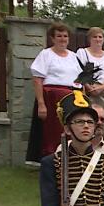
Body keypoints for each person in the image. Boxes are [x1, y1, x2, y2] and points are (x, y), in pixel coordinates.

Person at [28, 22, 81, 162]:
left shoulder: (74, 57)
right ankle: (51, 161)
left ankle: (70, 161)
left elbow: (79, 80)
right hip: (51, 99)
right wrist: (41, 104)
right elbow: (37, 80)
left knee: (70, 129)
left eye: (65, 36)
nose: (62, 39)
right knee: (51, 132)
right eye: (59, 36)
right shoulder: (46, 55)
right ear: (52, 38)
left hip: (71, 99)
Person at [76, 27, 104, 145]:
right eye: (94, 37)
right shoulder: (82, 53)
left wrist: (101, 88)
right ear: (89, 39)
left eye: (100, 37)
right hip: (87, 92)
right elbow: (78, 71)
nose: (97, 39)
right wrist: (89, 87)